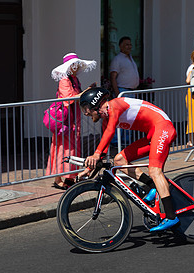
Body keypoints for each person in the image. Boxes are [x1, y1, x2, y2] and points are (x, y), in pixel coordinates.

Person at [79, 87, 178, 232]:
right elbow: (104, 148)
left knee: (155, 170)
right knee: (119, 160)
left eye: (86, 108)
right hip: (153, 133)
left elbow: (110, 132)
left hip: (163, 127)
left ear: (95, 103)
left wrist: (95, 153)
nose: (86, 113)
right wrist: (89, 168)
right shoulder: (106, 118)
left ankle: (171, 216)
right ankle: (153, 186)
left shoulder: (115, 105)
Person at [47, 53, 96, 190]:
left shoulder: (73, 79)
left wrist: (86, 91)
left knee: (70, 147)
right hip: (64, 119)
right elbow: (69, 98)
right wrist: (86, 91)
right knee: (62, 147)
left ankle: (69, 176)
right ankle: (58, 178)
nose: (77, 67)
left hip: (72, 118)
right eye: (74, 64)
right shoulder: (65, 80)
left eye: (77, 64)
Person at [109, 36, 139, 148]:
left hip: (131, 91)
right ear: (121, 46)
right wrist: (117, 93)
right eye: (127, 44)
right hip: (122, 91)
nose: (129, 46)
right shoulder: (118, 59)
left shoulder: (130, 58)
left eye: (130, 44)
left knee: (130, 116)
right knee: (121, 117)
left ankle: (126, 140)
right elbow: (113, 76)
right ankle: (116, 141)